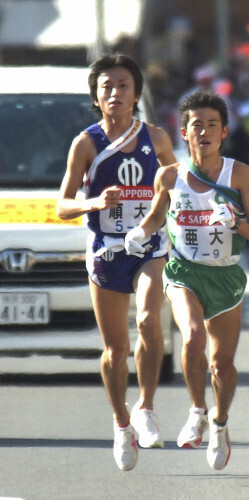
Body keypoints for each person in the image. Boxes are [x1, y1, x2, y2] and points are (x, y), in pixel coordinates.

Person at [125, 89, 249, 470]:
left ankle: (219, 424)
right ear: (183, 133)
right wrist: (139, 233)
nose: (203, 132)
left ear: (224, 132)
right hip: (184, 271)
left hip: (224, 277)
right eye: (195, 126)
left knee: (222, 365)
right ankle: (197, 411)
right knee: (192, 336)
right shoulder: (170, 176)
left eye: (211, 126)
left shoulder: (238, 174)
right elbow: (156, 216)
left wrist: (236, 222)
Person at [56, 53, 176, 471]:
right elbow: (63, 206)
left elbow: (178, 185)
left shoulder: (156, 138)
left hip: (149, 246)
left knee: (148, 320)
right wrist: (94, 201)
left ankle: (145, 407)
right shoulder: (86, 143)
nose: (115, 93)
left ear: (137, 94)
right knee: (115, 349)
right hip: (107, 249)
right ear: (96, 96)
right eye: (106, 86)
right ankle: (121, 423)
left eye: (123, 85)